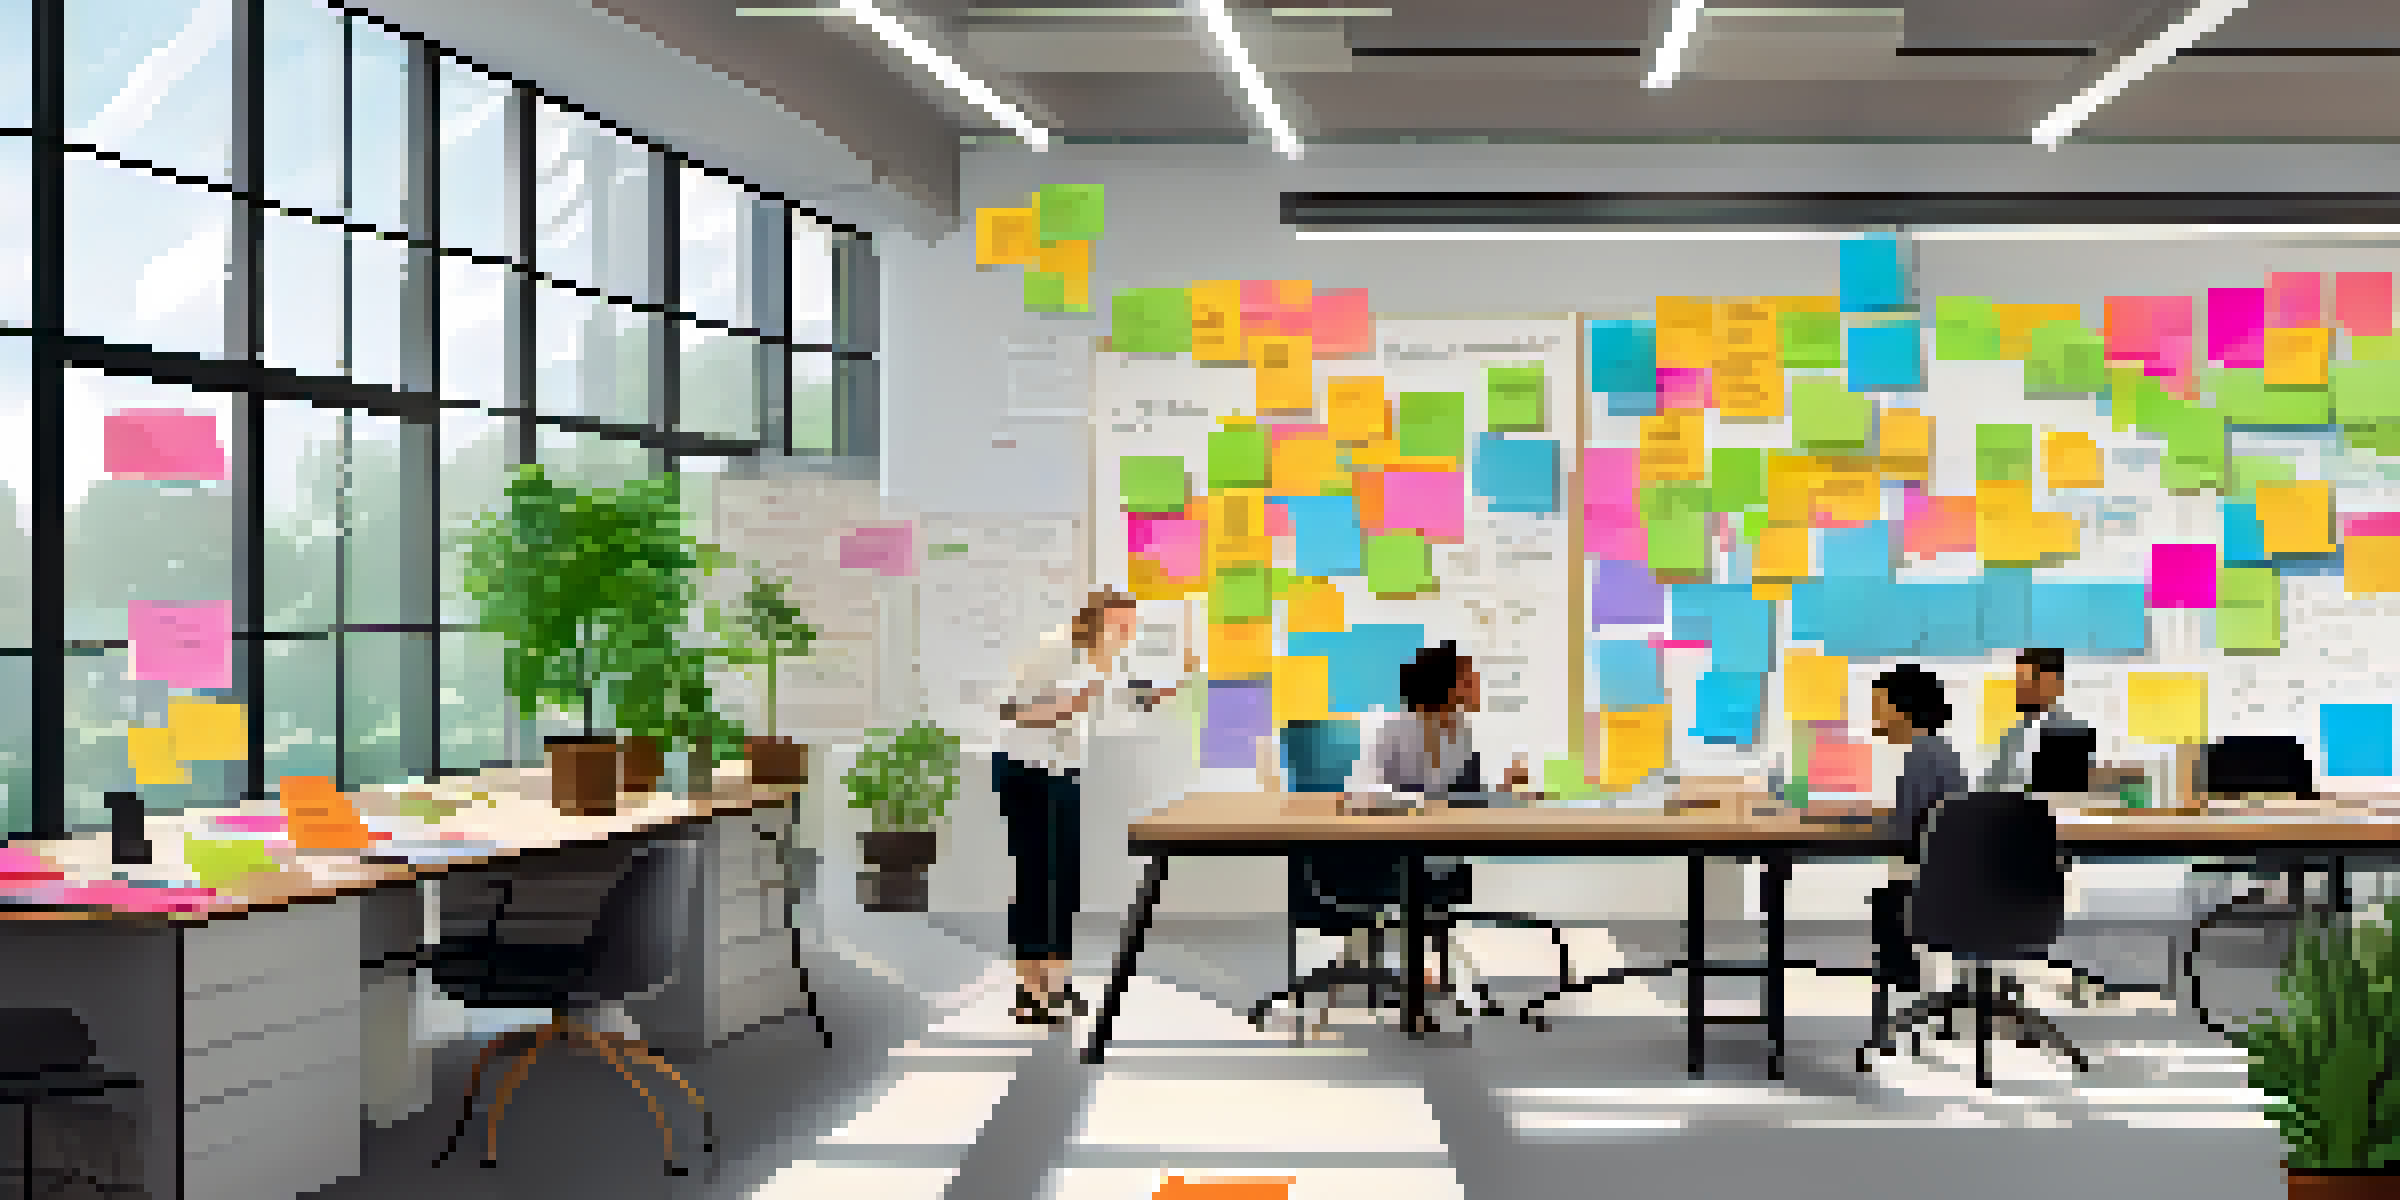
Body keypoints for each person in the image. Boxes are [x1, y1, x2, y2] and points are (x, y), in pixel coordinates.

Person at [996, 588, 1194, 1026]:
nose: (1127, 633)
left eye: (1131, 626)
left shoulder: (1104, 663)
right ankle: (1030, 993)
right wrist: (1082, 693)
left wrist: (1169, 686)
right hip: (1027, 770)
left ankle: (1058, 982)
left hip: (1063, 772)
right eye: (1119, 625)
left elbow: (1121, 703)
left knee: (1064, 877)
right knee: (1036, 877)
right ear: (1094, 621)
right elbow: (1018, 711)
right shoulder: (1058, 651)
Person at [1866, 664, 1967, 997]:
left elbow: (1904, 833)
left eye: (1879, 708)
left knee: (1888, 896)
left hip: (1931, 893)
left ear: (1903, 711)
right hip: (1961, 885)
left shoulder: (1921, 758)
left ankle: (1906, 996)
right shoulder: (1940, 752)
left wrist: (1859, 823)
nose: (1874, 719)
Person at [1979, 648, 2094, 793]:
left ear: (2052, 682)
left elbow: (2063, 797)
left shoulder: (2072, 735)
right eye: (2018, 679)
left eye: (2027, 679)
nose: (2019, 687)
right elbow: (1991, 784)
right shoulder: (2014, 733)